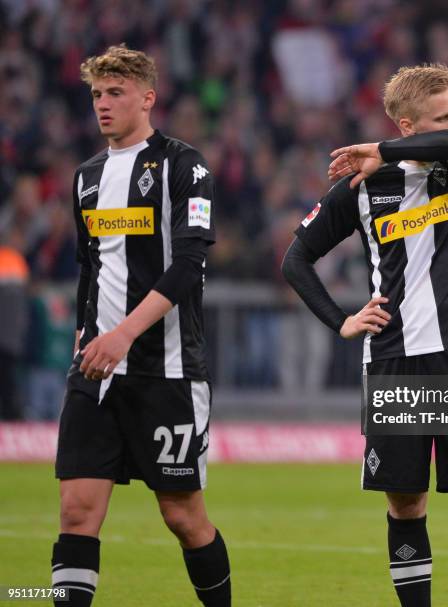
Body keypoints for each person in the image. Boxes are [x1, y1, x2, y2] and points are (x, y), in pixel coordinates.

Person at [282, 64, 448, 607]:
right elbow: (296, 259)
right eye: (444, 116)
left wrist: (384, 150)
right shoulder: (364, 188)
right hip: (393, 361)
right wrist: (341, 319)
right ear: (407, 124)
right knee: (406, 505)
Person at [51, 45, 230, 607]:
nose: (103, 105)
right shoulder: (85, 178)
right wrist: (87, 328)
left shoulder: (185, 165)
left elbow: (189, 266)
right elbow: (91, 264)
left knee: (182, 514)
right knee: (78, 512)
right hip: (98, 369)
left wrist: (125, 332)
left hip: (166, 369)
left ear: (147, 98)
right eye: (97, 95)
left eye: (116, 93)